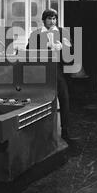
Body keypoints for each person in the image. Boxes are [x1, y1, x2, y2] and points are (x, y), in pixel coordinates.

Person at [27, 8, 75, 143]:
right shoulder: (36, 34)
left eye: (54, 18)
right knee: (44, 102)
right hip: (42, 71)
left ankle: (65, 131)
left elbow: (71, 54)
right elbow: (28, 51)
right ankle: (44, 133)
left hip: (58, 71)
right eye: (49, 18)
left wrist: (64, 47)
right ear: (43, 20)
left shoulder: (63, 32)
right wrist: (44, 47)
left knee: (64, 99)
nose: (52, 21)